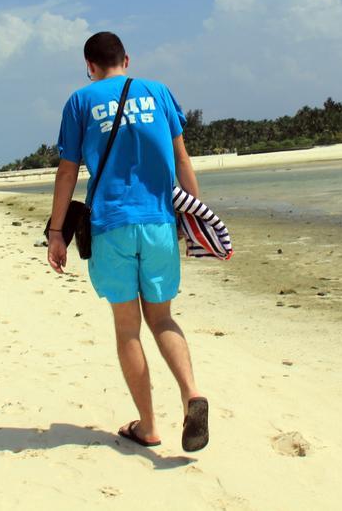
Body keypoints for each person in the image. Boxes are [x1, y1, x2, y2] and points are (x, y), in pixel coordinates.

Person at [47, 31, 208, 452]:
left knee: (127, 326)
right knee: (163, 318)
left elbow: (67, 173)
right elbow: (182, 159)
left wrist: (56, 232)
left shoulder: (80, 102)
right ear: (127, 59)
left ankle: (149, 427)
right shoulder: (158, 92)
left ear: (89, 65)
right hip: (159, 222)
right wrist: (197, 220)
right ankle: (191, 394)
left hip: (111, 224)